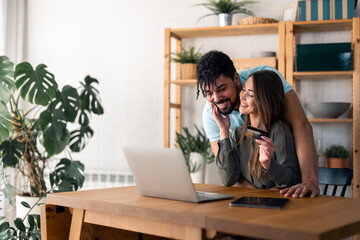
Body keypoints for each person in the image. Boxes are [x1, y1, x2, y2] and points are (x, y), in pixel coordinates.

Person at [196, 50, 319, 197]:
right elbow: (227, 172)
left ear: (236, 79)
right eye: (208, 93)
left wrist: (309, 180)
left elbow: (301, 125)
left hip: (287, 186)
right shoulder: (214, 116)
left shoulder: (265, 81)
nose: (216, 99)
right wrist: (259, 197)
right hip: (257, 195)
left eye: (222, 89)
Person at [213, 70, 301, 189]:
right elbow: (227, 180)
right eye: (243, 89)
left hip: (274, 205)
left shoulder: (279, 131)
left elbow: (293, 181)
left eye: (250, 94)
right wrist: (223, 131)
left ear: (264, 100)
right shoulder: (237, 134)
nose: (242, 96)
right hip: (247, 204)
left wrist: (269, 165)